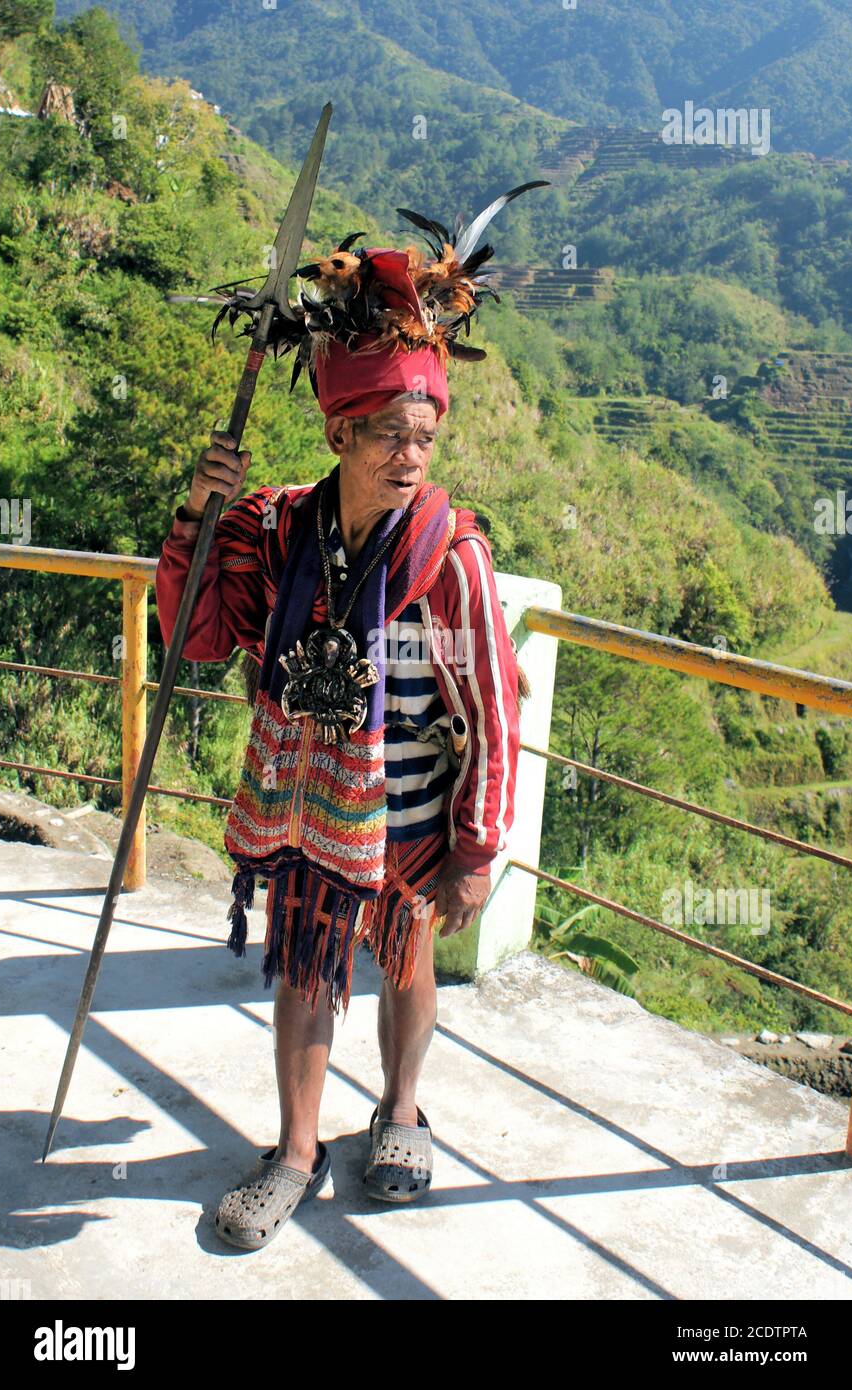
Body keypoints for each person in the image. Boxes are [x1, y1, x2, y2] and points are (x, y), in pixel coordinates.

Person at [155, 216, 530, 1250]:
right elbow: (199, 634)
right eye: (390, 435)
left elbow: (494, 712)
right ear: (340, 434)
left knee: (406, 969)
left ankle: (402, 1111)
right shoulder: (277, 529)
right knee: (308, 972)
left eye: (425, 437)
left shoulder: (452, 559)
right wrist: (198, 516)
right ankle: (295, 1151)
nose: (411, 456)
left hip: (409, 818)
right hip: (311, 807)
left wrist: (476, 849)